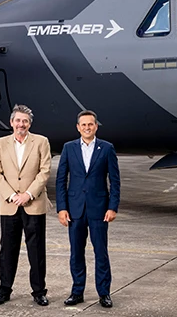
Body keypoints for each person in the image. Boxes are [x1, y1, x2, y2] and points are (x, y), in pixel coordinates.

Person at [56, 110, 120, 308]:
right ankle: (77, 292)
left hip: (99, 210)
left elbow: (115, 181)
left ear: (96, 126)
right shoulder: (68, 148)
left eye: (90, 124)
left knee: (101, 252)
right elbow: (61, 180)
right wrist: (62, 208)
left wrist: (112, 207)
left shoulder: (107, 148)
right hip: (75, 210)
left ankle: (104, 293)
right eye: (83, 125)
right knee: (76, 253)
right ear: (78, 127)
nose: (87, 128)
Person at [0, 104, 52, 306]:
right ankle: (4, 290)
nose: (21, 124)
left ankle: (39, 291)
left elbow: (44, 172)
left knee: (36, 249)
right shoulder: (0, 144)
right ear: (11, 123)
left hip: (33, 204)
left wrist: (28, 194)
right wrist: (11, 195)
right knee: (7, 249)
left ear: (29, 123)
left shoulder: (41, 142)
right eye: (18, 120)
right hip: (9, 205)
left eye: (25, 121)